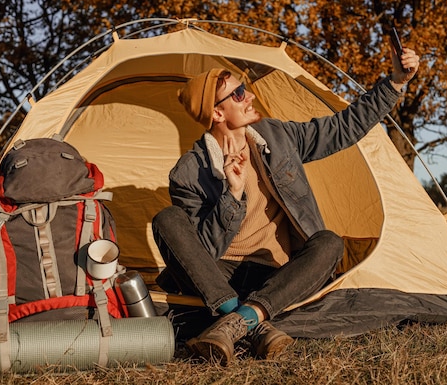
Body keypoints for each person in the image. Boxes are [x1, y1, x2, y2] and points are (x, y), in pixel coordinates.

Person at [152, 44, 420, 365]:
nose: (249, 96)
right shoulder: (188, 172)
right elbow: (204, 252)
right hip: (220, 274)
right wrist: (232, 195)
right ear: (217, 113)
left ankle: (233, 323)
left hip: (277, 273)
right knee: (167, 220)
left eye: (245, 89)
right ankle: (250, 323)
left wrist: (395, 82)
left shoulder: (276, 136)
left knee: (328, 243)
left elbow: (341, 129)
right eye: (238, 94)